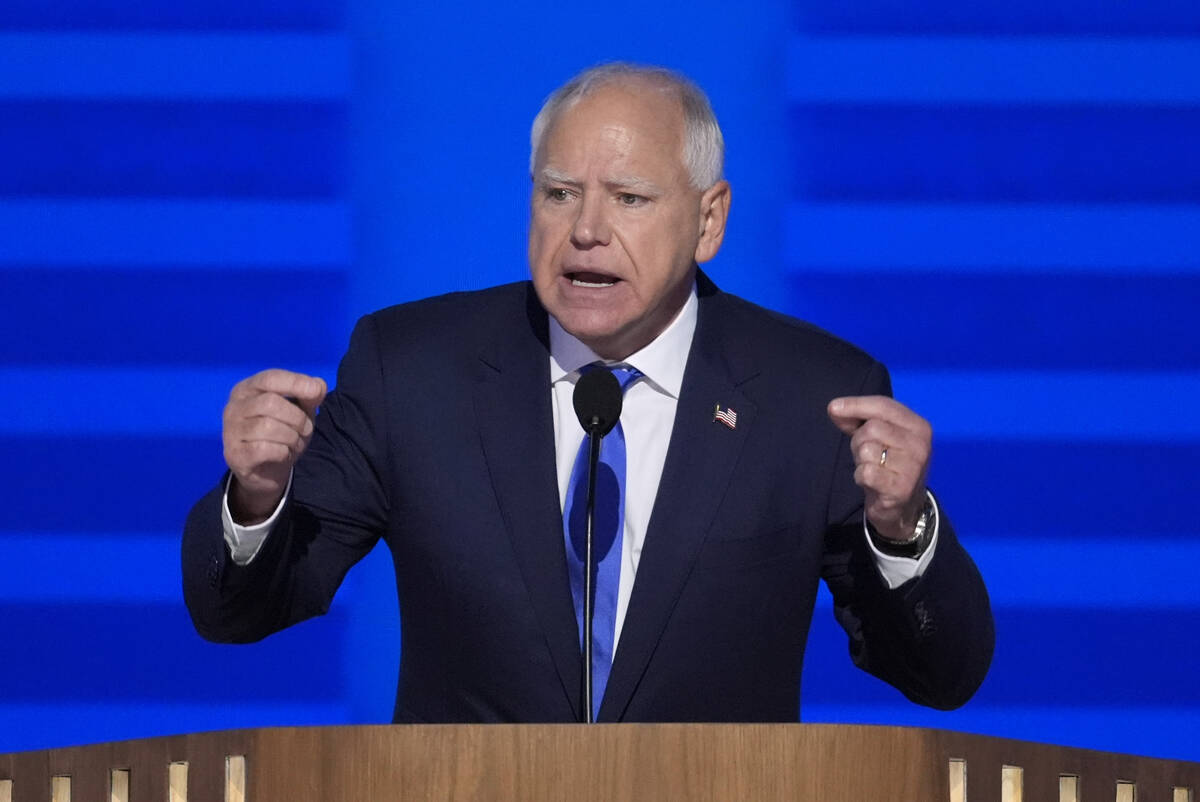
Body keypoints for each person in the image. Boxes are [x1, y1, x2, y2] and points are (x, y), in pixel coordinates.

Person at [183, 62, 993, 723]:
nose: (586, 231)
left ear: (709, 222)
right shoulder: (412, 369)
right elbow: (241, 612)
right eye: (559, 192)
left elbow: (940, 675)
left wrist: (903, 529)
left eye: (629, 199)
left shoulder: (812, 394)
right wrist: (256, 502)